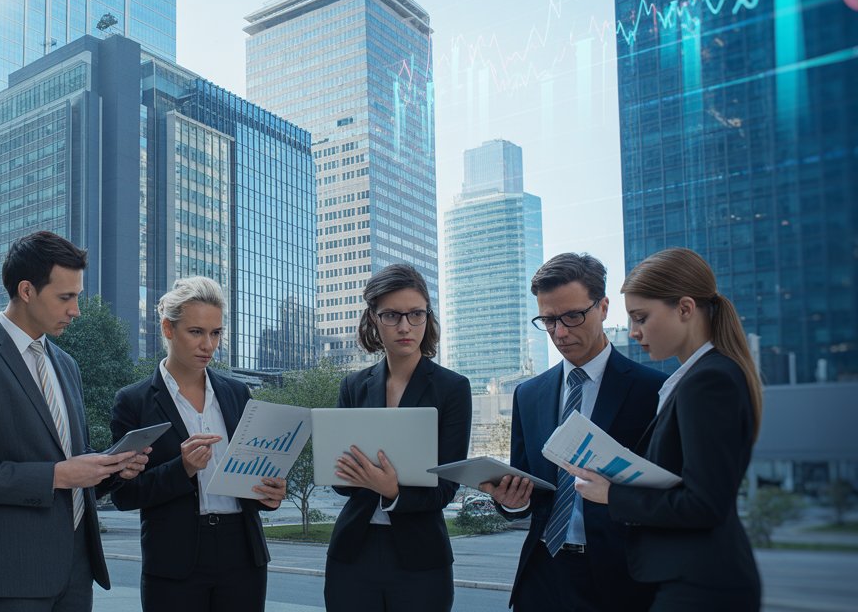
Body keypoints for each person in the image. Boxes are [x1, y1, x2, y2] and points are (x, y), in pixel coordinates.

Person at [0, 231, 149, 611]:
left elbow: (72, 462)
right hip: (14, 574)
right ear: (27, 290)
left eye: (77, 296)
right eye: (65, 297)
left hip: (77, 569)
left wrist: (112, 469)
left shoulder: (66, 365)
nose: (76, 310)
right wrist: (58, 475)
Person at [563, 247, 763, 610]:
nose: (634, 332)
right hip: (692, 578)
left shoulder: (710, 381)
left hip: (701, 583)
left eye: (641, 317)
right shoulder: (695, 377)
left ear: (685, 309)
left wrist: (612, 495)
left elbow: (704, 504)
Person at [481, 252, 666, 611]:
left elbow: (665, 499)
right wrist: (510, 502)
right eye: (548, 320)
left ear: (604, 307)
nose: (560, 332)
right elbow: (529, 490)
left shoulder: (652, 391)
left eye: (572, 316)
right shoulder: (528, 394)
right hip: (542, 576)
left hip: (620, 580)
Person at [110, 276, 287, 612]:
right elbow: (123, 494)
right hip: (174, 559)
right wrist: (184, 469)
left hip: (243, 555)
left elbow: (250, 474)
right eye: (196, 332)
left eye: (216, 333)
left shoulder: (237, 393)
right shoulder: (133, 401)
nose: (208, 344)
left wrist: (270, 494)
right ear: (167, 329)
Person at [323, 264, 472, 612]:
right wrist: (356, 476)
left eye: (415, 314)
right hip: (352, 553)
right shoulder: (353, 386)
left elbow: (446, 489)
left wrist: (391, 490)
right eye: (391, 315)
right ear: (374, 318)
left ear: (427, 317)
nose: (405, 326)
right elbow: (340, 482)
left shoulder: (453, 388)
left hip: (420, 558)